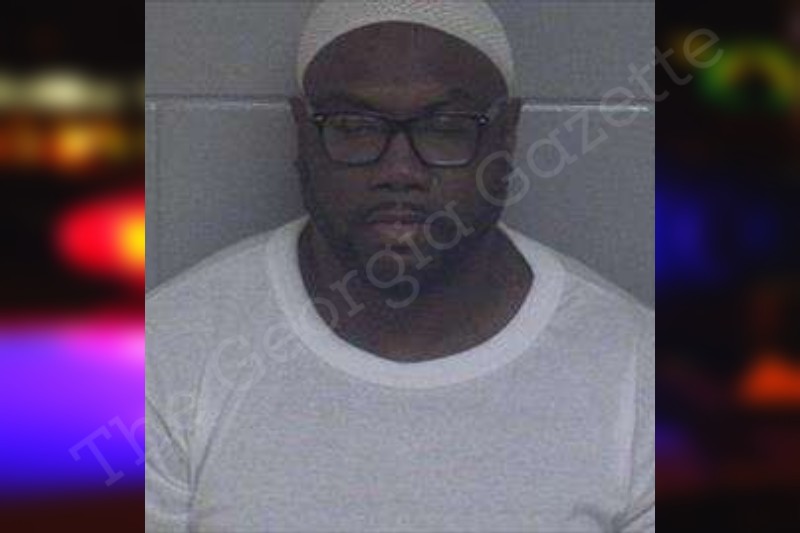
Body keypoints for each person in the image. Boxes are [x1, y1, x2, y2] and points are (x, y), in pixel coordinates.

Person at [146, 1, 654, 531]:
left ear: (507, 135)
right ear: (302, 134)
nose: (399, 170)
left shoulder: (638, 373)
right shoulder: (165, 353)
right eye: (355, 126)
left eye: (445, 126)